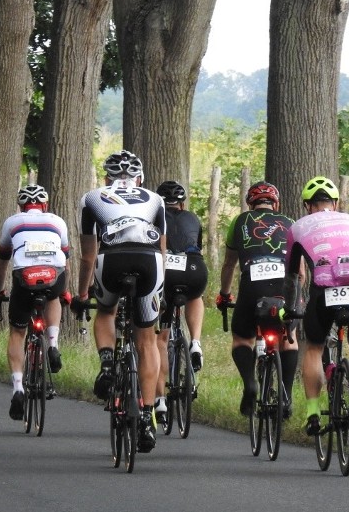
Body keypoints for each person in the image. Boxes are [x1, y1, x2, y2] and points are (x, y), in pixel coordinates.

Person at [71, 150, 165, 453]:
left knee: (106, 311)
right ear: (139, 178)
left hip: (110, 260)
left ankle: (108, 363)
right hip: (149, 261)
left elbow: (87, 256)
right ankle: (147, 417)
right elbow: (162, 251)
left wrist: (83, 294)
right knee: (147, 340)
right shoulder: (156, 199)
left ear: (106, 178)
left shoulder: (91, 198)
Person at [281, 176, 349, 436]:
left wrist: (289, 312)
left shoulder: (298, 227)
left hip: (324, 291)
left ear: (307, 205)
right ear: (335, 203)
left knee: (313, 348)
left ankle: (312, 412)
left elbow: (292, 278)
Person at [216, 181, 298, 419]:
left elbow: (229, 263)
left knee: (242, 338)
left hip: (252, 284)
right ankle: (286, 395)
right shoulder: (290, 224)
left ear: (250, 204)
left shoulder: (240, 221)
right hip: (284, 285)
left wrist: (224, 294)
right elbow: (300, 272)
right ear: (276, 204)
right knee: (288, 339)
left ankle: (250, 384)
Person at [0, 184, 70, 422]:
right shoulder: (58, 221)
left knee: (17, 332)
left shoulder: (12, 222)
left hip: (24, 278)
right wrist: (65, 291)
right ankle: (53, 344)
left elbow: (2, 262)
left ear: (22, 206)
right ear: (45, 205)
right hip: (53, 274)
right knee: (54, 297)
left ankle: (18, 388)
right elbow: (66, 261)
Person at [153, 180, 208, 425]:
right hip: (194, 269)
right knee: (195, 296)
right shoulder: (193, 218)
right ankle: (195, 342)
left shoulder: (153, 218)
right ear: (182, 203)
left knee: (160, 341)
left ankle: (161, 401)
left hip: (166, 272)